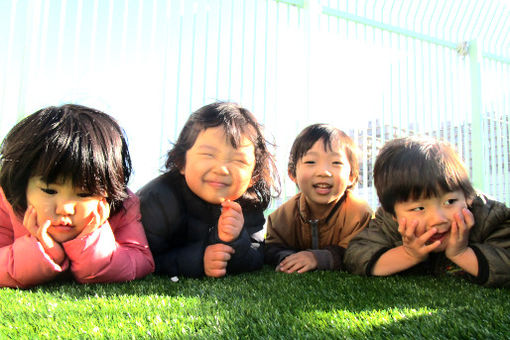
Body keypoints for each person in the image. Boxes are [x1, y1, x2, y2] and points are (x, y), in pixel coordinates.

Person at [0, 104, 155, 288]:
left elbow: (141, 260)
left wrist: (90, 247)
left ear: (109, 190)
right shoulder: (7, 202)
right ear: (21, 184)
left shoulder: (122, 205)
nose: (65, 208)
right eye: (50, 190)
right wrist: (42, 252)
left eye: (83, 194)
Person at [138, 102, 280, 278]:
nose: (221, 169)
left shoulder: (248, 204)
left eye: (238, 160)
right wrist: (198, 260)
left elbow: (256, 257)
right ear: (181, 161)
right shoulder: (157, 199)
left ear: (254, 176)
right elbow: (142, 258)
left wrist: (236, 239)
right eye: (208, 155)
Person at [344, 136, 510, 287]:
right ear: (393, 214)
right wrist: (408, 254)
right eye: (418, 208)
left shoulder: (489, 216)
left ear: (467, 198)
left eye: (450, 202)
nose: (438, 219)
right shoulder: (388, 224)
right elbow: (356, 254)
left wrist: (462, 253)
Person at [265, 124, 372, 273]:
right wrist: (289, 259)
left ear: (351, 177)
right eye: (311, 162)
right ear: (292, 173)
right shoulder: (281, 218)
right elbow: (272, 247)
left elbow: (359, 252)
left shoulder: (359, 214)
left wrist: (319, 258)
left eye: (336, 163)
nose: (323, 172)